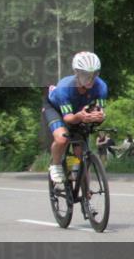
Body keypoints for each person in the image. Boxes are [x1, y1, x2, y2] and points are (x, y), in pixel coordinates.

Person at [42, 51, 107, 186]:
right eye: (86, 74)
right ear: (76, 73)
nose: (90, 79)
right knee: (62, 139)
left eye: (94, 74)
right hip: (55, 109)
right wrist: (80, 116)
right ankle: (55, 165)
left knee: (80, 150)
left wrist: (99, 116)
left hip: (77, 111)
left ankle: (83, 189)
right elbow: (68, 118)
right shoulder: (64, 87)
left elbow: (101, 112)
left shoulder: (101, 86)